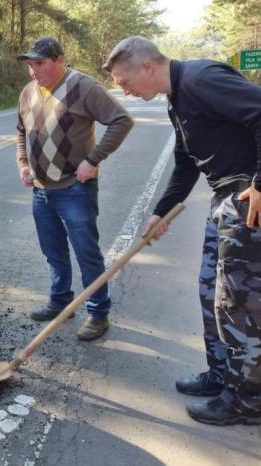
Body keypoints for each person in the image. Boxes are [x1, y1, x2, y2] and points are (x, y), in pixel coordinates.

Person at [104, 36, 261, 426]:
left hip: (247, 199)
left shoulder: (201, 78)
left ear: (146, 67)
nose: (123, 90)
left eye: (124, 81)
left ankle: (248, 401)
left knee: (239, 305)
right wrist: (160, 213)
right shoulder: (177, 98)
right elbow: (186, 163)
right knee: (212, 293)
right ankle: (223, 375)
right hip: (224, 199)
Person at [15, 37, 133, 341]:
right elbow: (20, 131)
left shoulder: (83, 86)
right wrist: (23, 163)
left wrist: (93, 160)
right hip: (41, 190)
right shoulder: (28, 92)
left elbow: (121, 121)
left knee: (86, 252)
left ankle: (97, 312)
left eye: (39, 63)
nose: (33, 70)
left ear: (59, 60)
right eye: (30, 64)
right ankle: (60, 301)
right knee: (53, 251)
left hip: (75, 188)